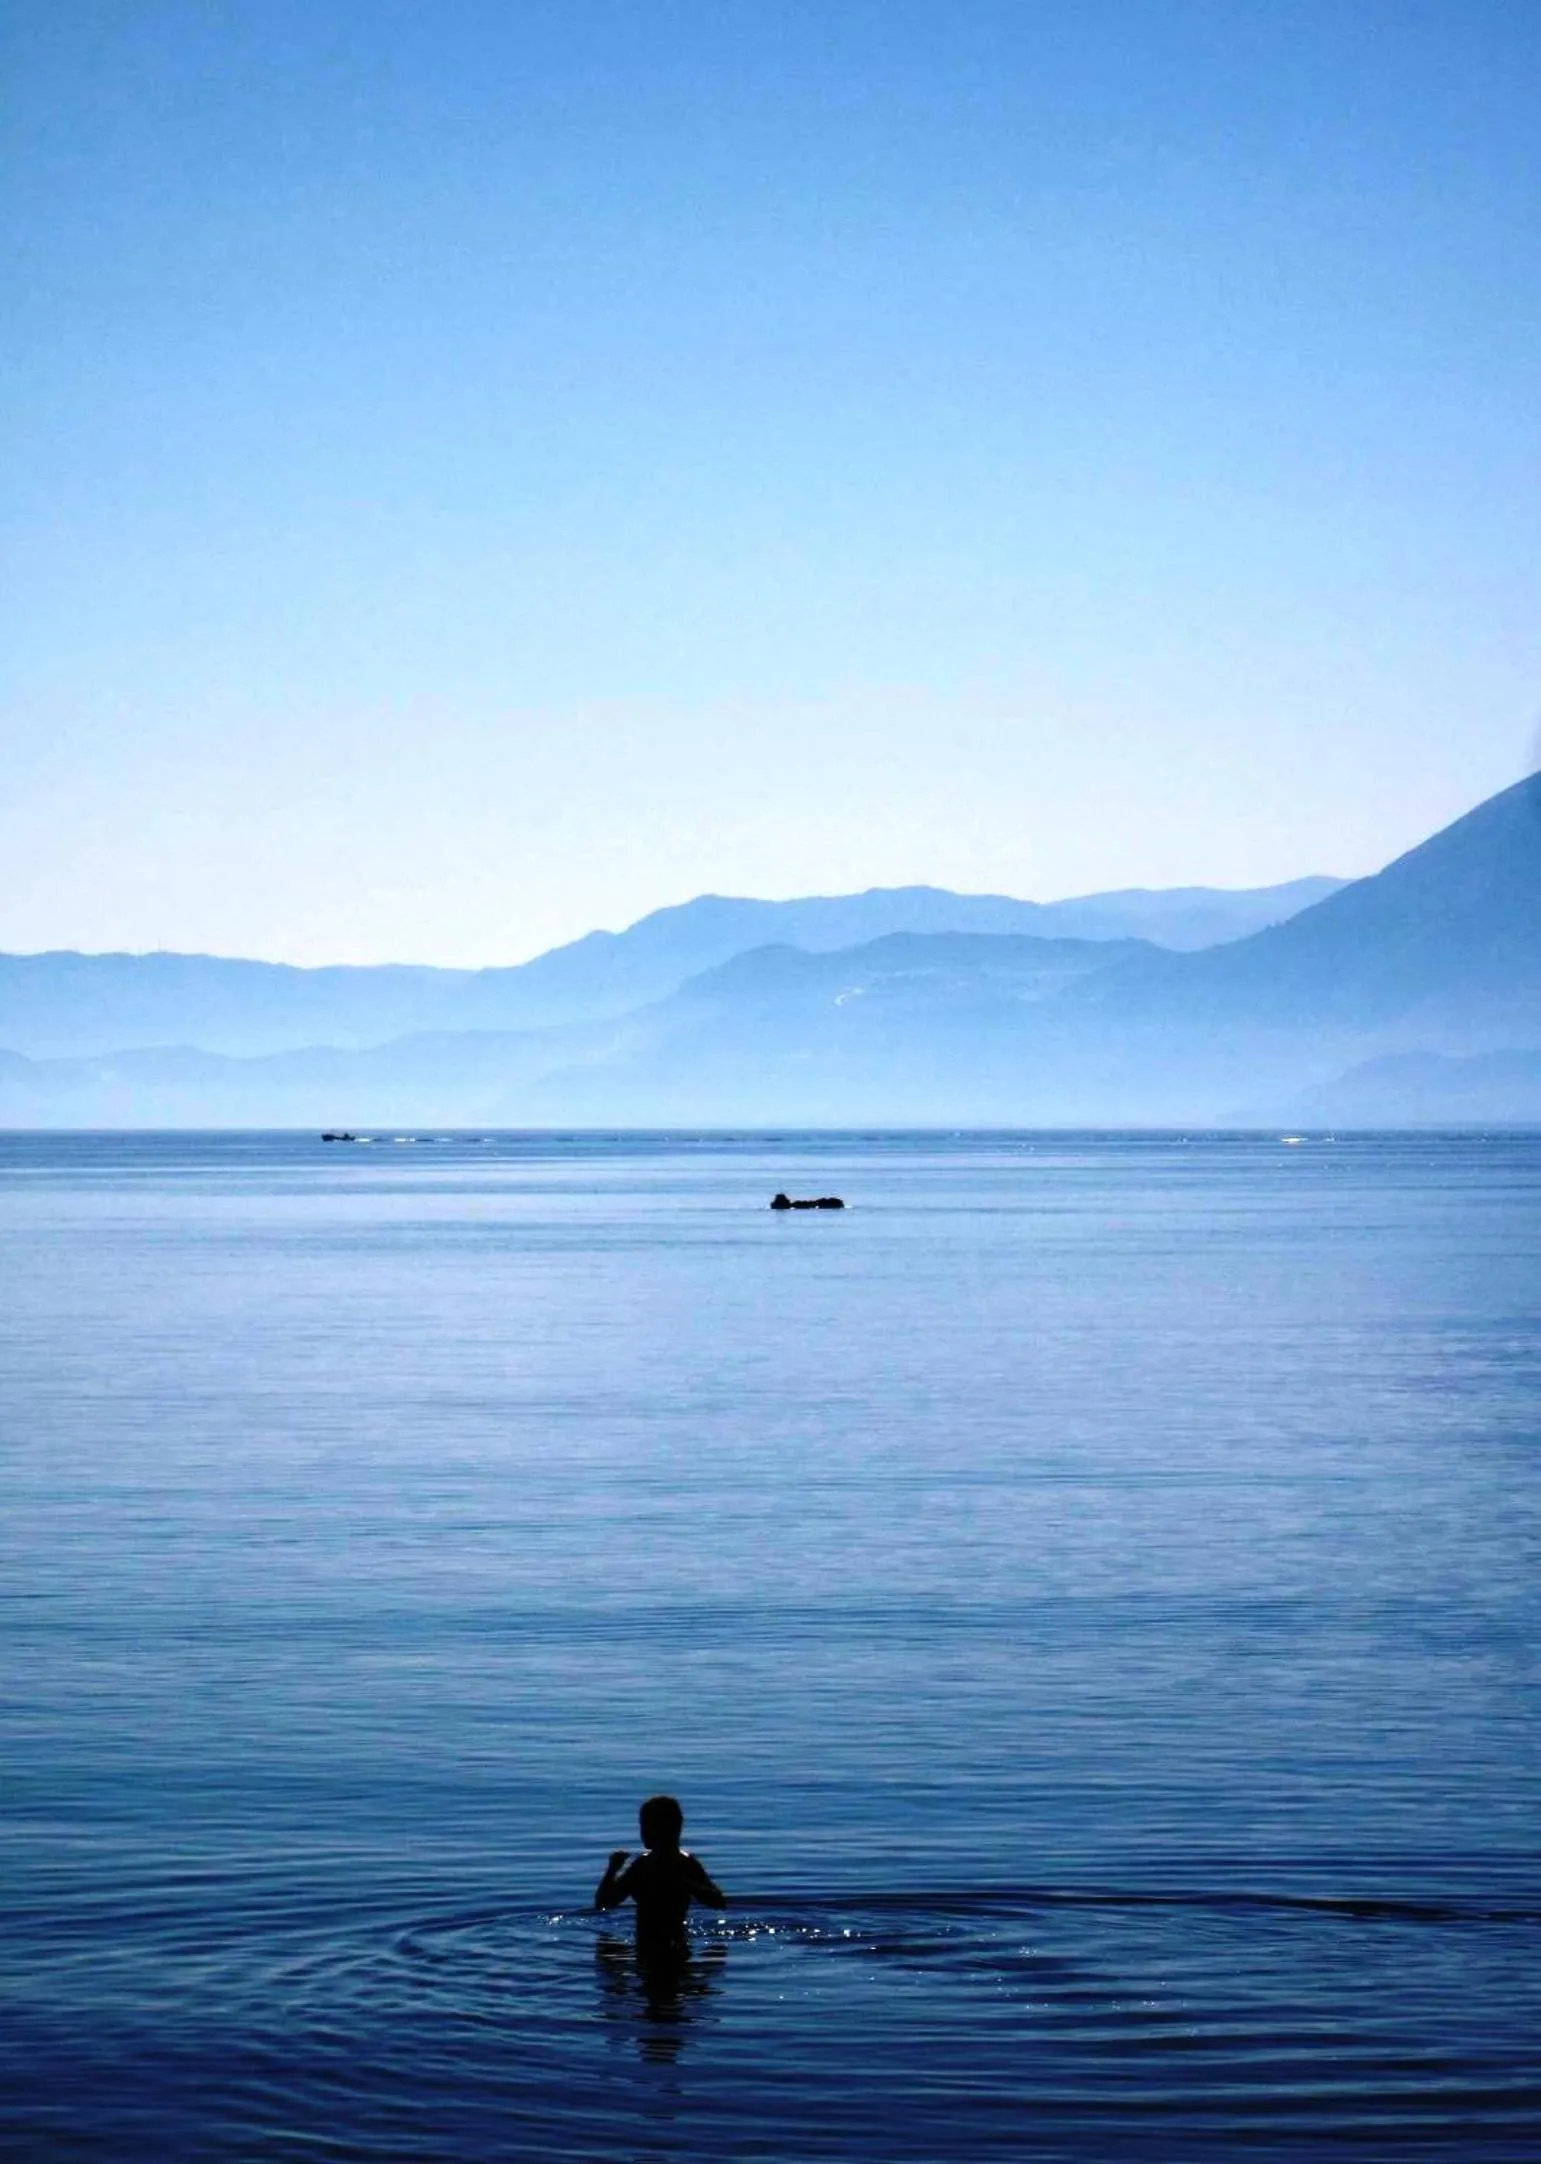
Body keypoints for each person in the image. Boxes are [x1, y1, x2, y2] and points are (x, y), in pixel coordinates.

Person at [594, 1794, 726, 1959]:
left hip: (667, 1948)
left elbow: (719, 1902)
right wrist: (612, 1870)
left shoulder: (683, 1864)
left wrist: (686, 1883)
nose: (643, 1832)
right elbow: (603, 1904)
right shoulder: (643, 1865)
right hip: (651, 1948)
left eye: (648, 1827)